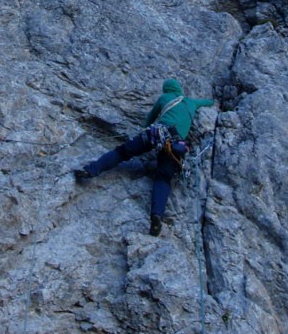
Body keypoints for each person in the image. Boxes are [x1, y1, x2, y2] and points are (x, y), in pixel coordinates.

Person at [74, 78, 214, 236]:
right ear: (180, 89)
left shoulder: (164, 98)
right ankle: (156, 216)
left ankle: (90, 171)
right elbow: (207, 102)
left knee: (122, 152)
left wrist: (143, 133)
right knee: (163, 178)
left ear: (166, 89)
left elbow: (150, 118)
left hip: (156, 134)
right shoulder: (191, 102)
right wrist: (215, 102)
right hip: (176, 144)